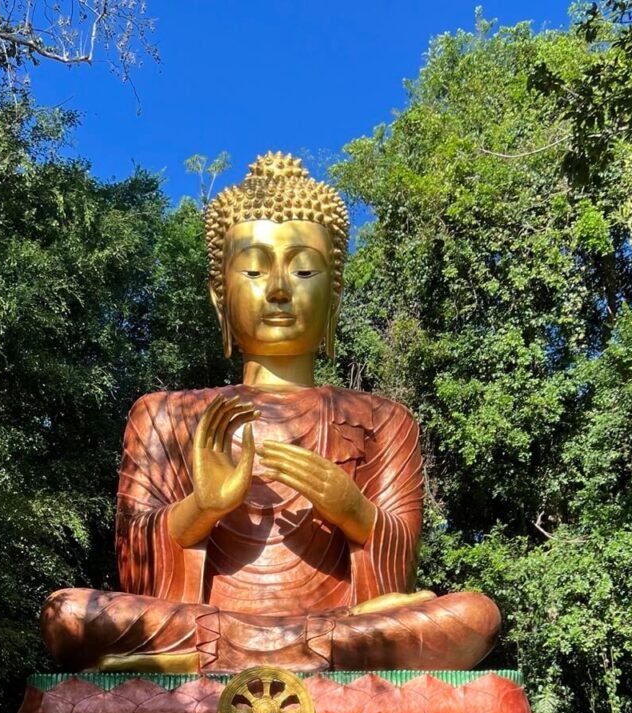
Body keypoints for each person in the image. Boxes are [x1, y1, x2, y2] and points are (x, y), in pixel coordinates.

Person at [41, 152, 500, 675]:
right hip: (225, 623)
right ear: (220, 294)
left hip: (326, 623)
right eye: (255, 270)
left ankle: (199, 661)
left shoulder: (384, 419)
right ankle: (298, 655)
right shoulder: (164, 414)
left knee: (474, 617)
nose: (279, 289)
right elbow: (135, 570)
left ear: (334, 296)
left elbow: (396, 580)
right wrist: (203, 507)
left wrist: (354, 510)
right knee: (69, 615)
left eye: (304, 269)